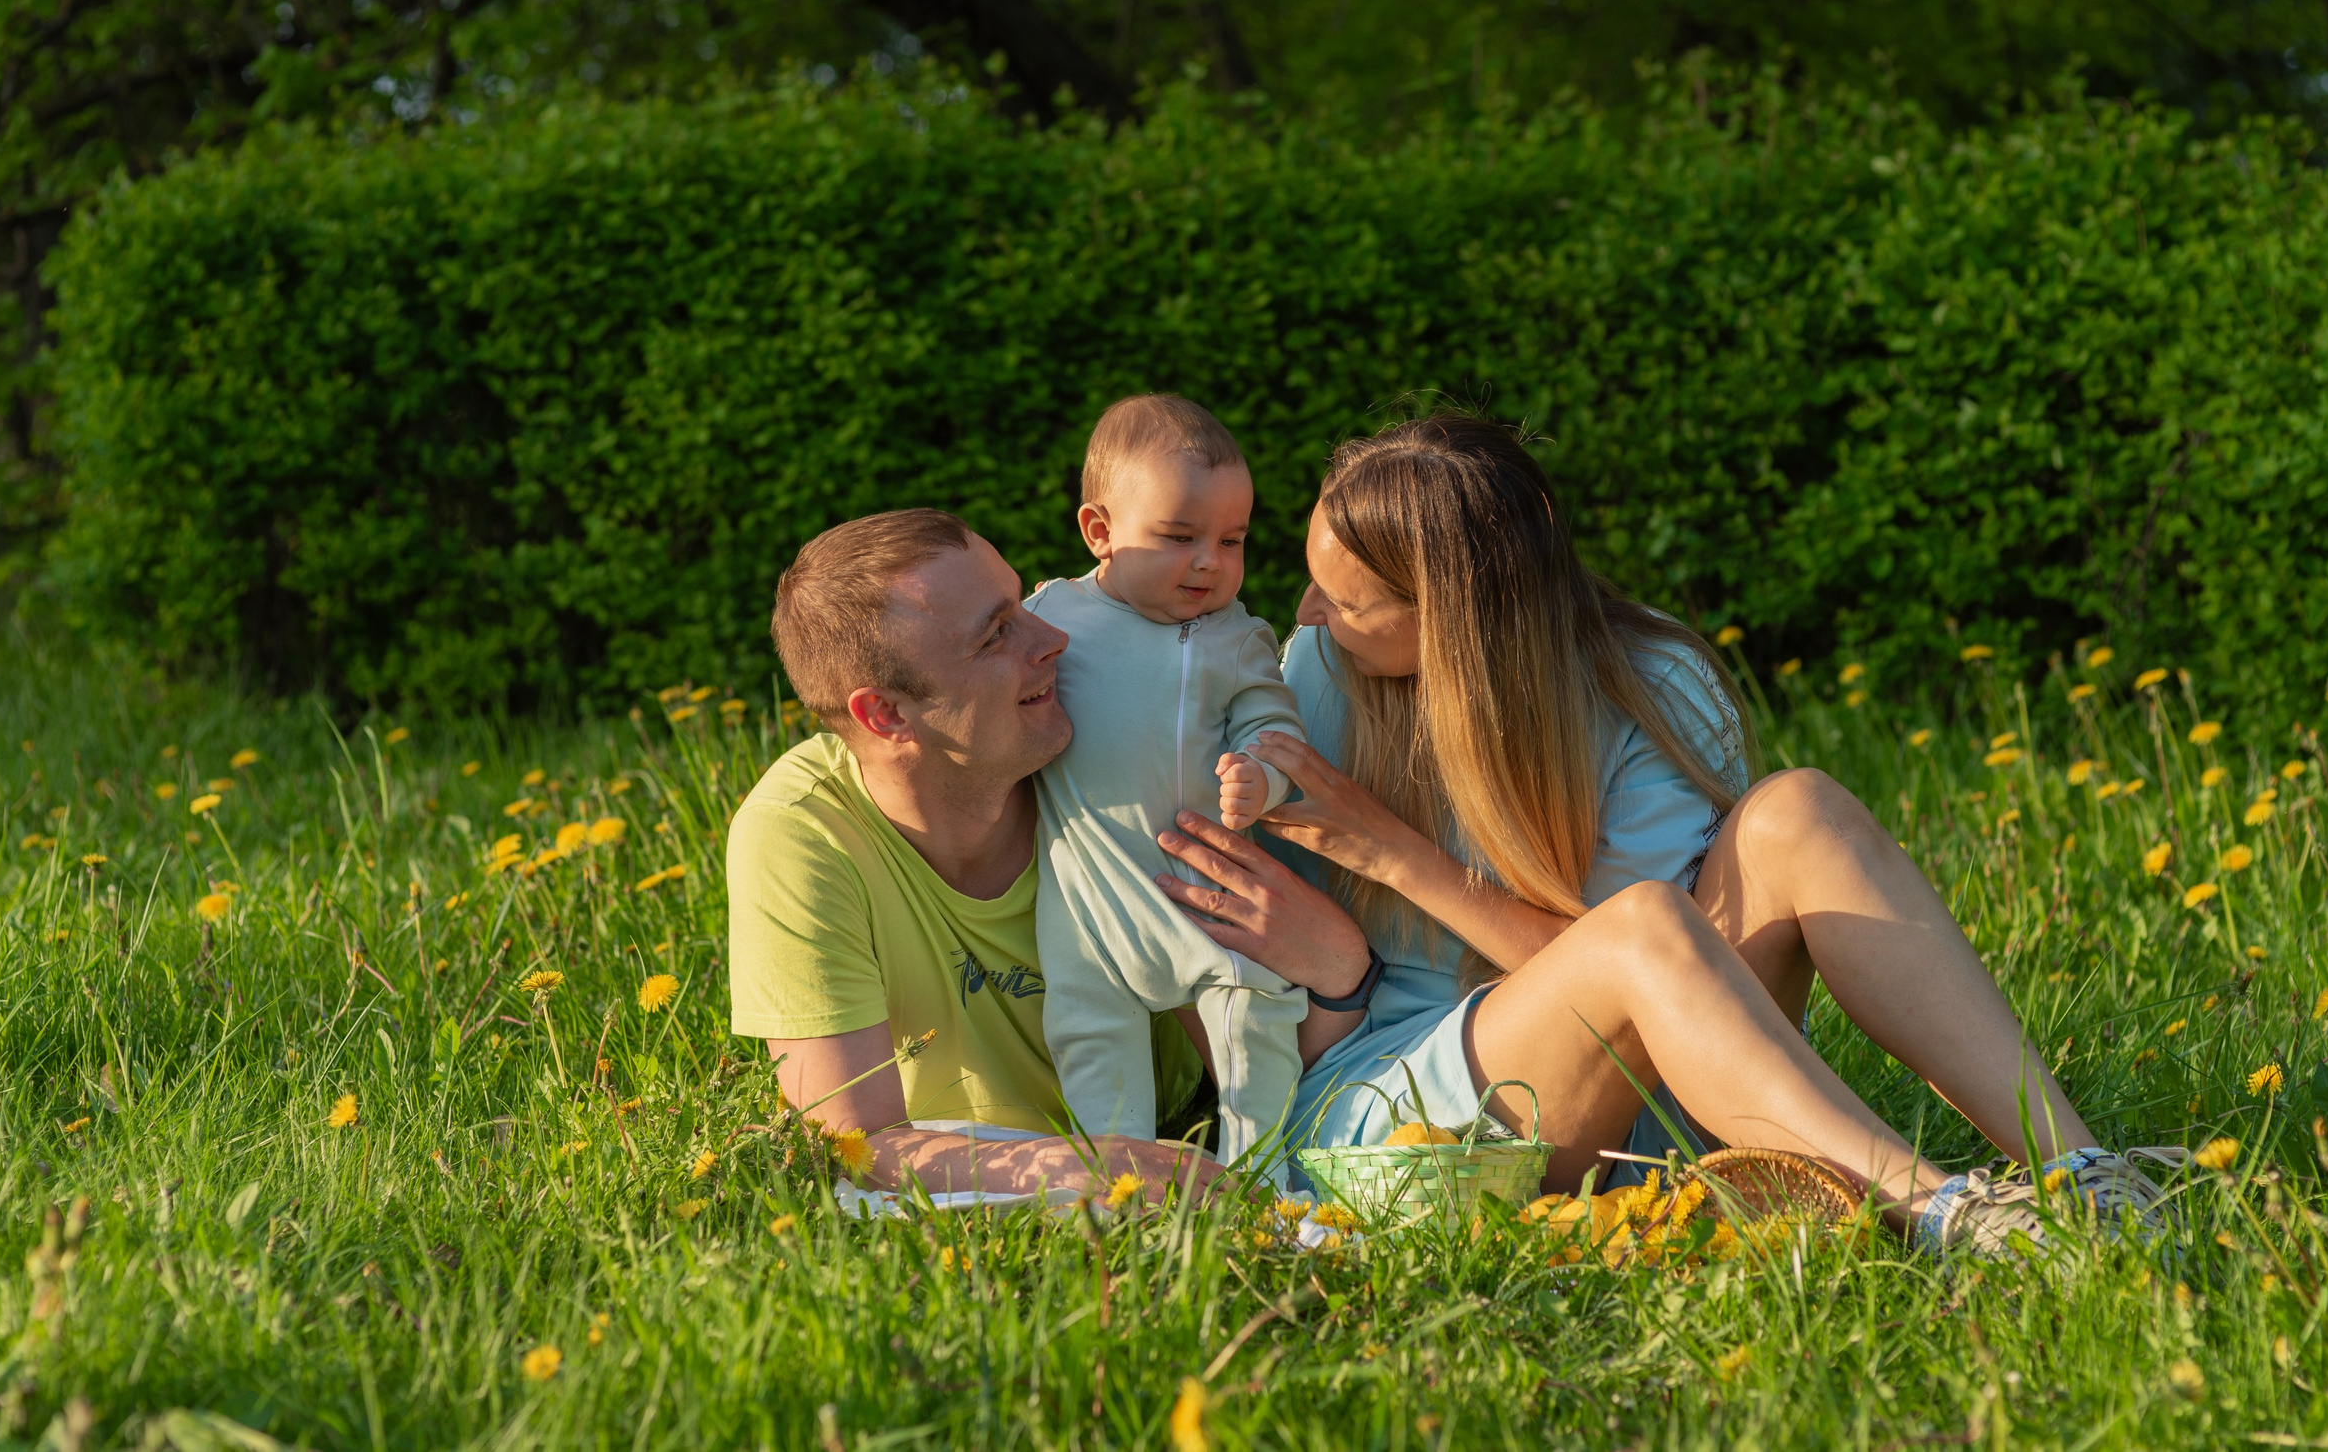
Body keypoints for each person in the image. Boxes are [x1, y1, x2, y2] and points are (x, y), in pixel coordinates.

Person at [1142, 414, 2170, 1252]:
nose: (1308, 612)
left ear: (1453, 619)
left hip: (1655, 1083)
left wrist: (1395, 854)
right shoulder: (1312, 677)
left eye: (1348, 600)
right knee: (1640, 927)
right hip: (1411, 1104)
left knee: (1798, 810)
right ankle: (1947, 1211)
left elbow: (1639, 973)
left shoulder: (1650, 682)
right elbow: (1194, 907)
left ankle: (2081, 1171)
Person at [726, 506, 1221, 1199]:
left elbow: (1249, 1012)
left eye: (1022, 604)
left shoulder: (1109, 745)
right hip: (996, 1168)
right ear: (886, 714)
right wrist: (1089, 1168)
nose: (1054, 639)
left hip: (1190, 1117)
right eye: (996, 634)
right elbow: (851, 1140)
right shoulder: (803, 834)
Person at [1024, 395, 1308, 1169]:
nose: (1210, 561)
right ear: (1100, 531)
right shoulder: (1051, 616)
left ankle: (1262, 1173)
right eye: (1179, 537)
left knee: (1254, 1007)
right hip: (1085, 887)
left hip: (1200, 883)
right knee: (1090, 1031)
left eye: (1232, 539)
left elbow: (1276, 727)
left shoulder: (1236, 637)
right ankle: (1118, 1181)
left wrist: (1261, 776)